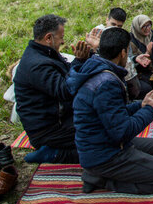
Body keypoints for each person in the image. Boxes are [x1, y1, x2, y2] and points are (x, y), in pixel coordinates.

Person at [68, 27, 153, 194]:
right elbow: (122, 132)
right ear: (122, 53)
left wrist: (141, 105)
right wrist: (151, 110)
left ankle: (113, 170)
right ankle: (101, 179)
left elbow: (114, 113)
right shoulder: (106, 82)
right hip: (105, 154)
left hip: (105, 142)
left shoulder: (96, 67)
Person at [13, 14, 96, 164]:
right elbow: (65, 90)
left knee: (98, 120)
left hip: (60, 119)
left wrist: (84, 59)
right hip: (48, 130)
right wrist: (78, 62)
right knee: (101, 140)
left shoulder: (45, 54)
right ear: (48, 38)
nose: (63, 41)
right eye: (61, 37)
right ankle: (53, 154)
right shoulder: (37, 65)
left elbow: (66, 76)